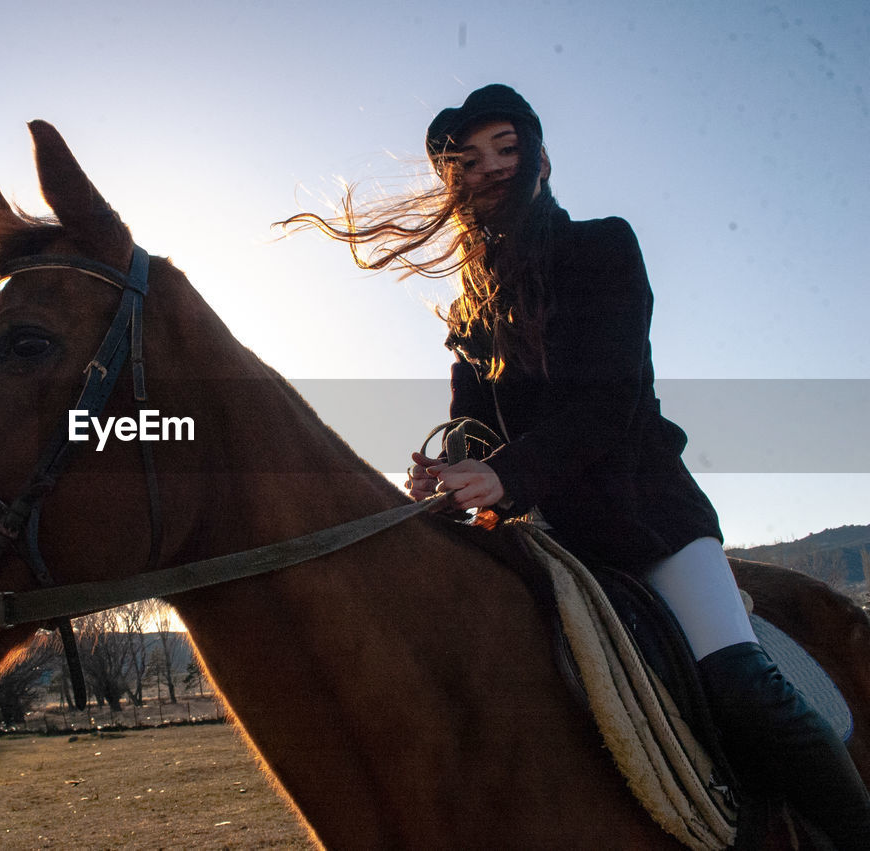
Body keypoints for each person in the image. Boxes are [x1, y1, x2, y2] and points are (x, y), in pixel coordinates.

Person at [287, 83, 870, 848]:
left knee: (741, 687)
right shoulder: (468, 307)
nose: (492, 167)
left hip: (650, 525)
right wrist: (449, 468)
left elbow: (607, 404)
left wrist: (506, 477)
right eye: (469, 160)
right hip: (546, 535)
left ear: (541, 160)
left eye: (507, 147)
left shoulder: (604, 247)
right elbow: (473, 422)